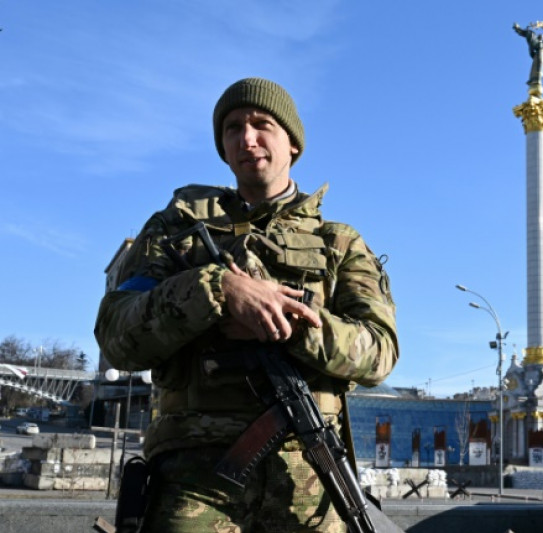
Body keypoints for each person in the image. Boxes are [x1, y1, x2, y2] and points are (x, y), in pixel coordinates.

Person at [95, 77, 398, 532]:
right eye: (233, 128)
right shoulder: (173, 231)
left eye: (262, 125)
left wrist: (287, 322)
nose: (247, 138)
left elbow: (380, 352)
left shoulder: (337, 242)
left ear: (292, 143)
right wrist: (217, 290)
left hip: (309, 482)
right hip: (194, 484)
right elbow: (116, 335)